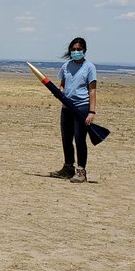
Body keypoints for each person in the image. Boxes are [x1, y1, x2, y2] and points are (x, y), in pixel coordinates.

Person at [50, 37, 98, 184]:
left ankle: (81, 171)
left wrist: (91, 112)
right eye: (73, 49)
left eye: (78, 49)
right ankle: (68, 168)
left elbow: (92, 91)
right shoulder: (65, 66)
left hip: (81, 107)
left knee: (79, 139)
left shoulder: (89, 67)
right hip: (66, 107)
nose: (76, 52)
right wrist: (60, 91)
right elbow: (63, 85)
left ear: (84, 50)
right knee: (66, 138)